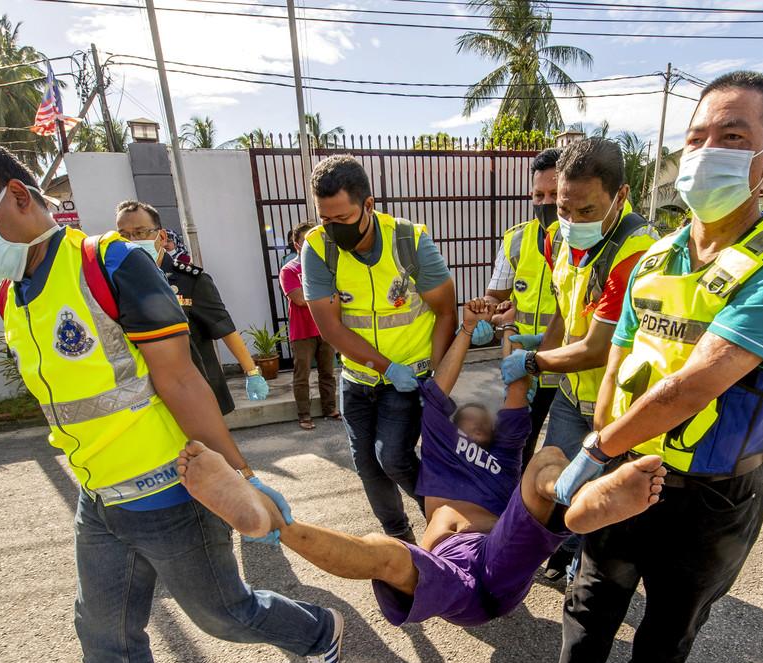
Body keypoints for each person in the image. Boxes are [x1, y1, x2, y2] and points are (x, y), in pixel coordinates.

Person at [0, 140, 344, 663]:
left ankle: (319, 629)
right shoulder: (12, 293)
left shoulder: (108, 262)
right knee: (104, 629)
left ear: (18, 195)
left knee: (225, 615)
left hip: (170, 488)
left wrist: (239, 475)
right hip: (100, 499)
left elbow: (180, 377)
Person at [507, 71, 763, 663]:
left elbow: (699, 380)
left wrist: (597, 446)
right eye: (698, 136)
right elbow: (619, 355)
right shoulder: (654, 256)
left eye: (733, 137)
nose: (708, 151)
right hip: (628, 468)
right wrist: (609, 435)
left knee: (673, 617)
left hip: (714, 493)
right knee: (591, 602)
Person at [177, 298, 665, 629]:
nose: (476, 414)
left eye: (485, 416)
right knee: (389, 556)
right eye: (466, 413)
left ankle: (579, 503)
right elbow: (440, 383)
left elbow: (516, 385)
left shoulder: (504, 445)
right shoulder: (438, 437)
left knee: (547, 462)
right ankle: (269, 520)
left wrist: (513, 332)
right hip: (446, 568)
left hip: (498, 552)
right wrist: (469, 327)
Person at [500, 138, 659, 581]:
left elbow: (597, 347)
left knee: (611, 499)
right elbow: (561, 311)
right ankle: (570, 551)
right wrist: (542, 351)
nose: (569, 221)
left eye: (585, 211)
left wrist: (533, 364)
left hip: (622, 403)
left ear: (621, 196)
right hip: (572, 395)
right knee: (567, 485)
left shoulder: (637, 251)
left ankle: (594, 566)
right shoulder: (557, 237)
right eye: (564, 208)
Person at [302, 155, 458, 543]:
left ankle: (448, 525)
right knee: (367, 466)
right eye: (326, 219)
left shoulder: (409, 241)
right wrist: (383, 366)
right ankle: (400, 542)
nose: (334, 229)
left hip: (408, 380)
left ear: (368, 205)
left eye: (343, 218)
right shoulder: (318, 248)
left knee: (393, 459)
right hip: (359, 379)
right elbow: (330, 327)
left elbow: (444, 312)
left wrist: (438, 382)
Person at [115, 200, 268, 413]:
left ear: (161, 237)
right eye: (124, 235)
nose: (131, 241)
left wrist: (252, 372)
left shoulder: (191, 281)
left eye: (140, 233)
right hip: (147, 395)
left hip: (196, 389)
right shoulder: (118, 283)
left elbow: (224, 326)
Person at [485, 147, 563, 468]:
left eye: (555, 194)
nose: (545, 203)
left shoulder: (587, 239)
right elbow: (495, 296)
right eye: (539, 194)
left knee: (561, 456)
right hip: (524, 369)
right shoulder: (516, 240)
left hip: (570, 369)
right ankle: (514, 512)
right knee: (515, 450)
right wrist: (489, 313)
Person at [279, 220, 339, 429]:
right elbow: (299, 299)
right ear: (296, 245)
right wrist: (326, 294)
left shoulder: (327, 267)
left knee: (328, 372)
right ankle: (304, 415)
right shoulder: (289, 270)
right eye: (306, 240)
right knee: (302, 374)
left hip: (326, 327)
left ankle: (330, 408)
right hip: (302, 330)